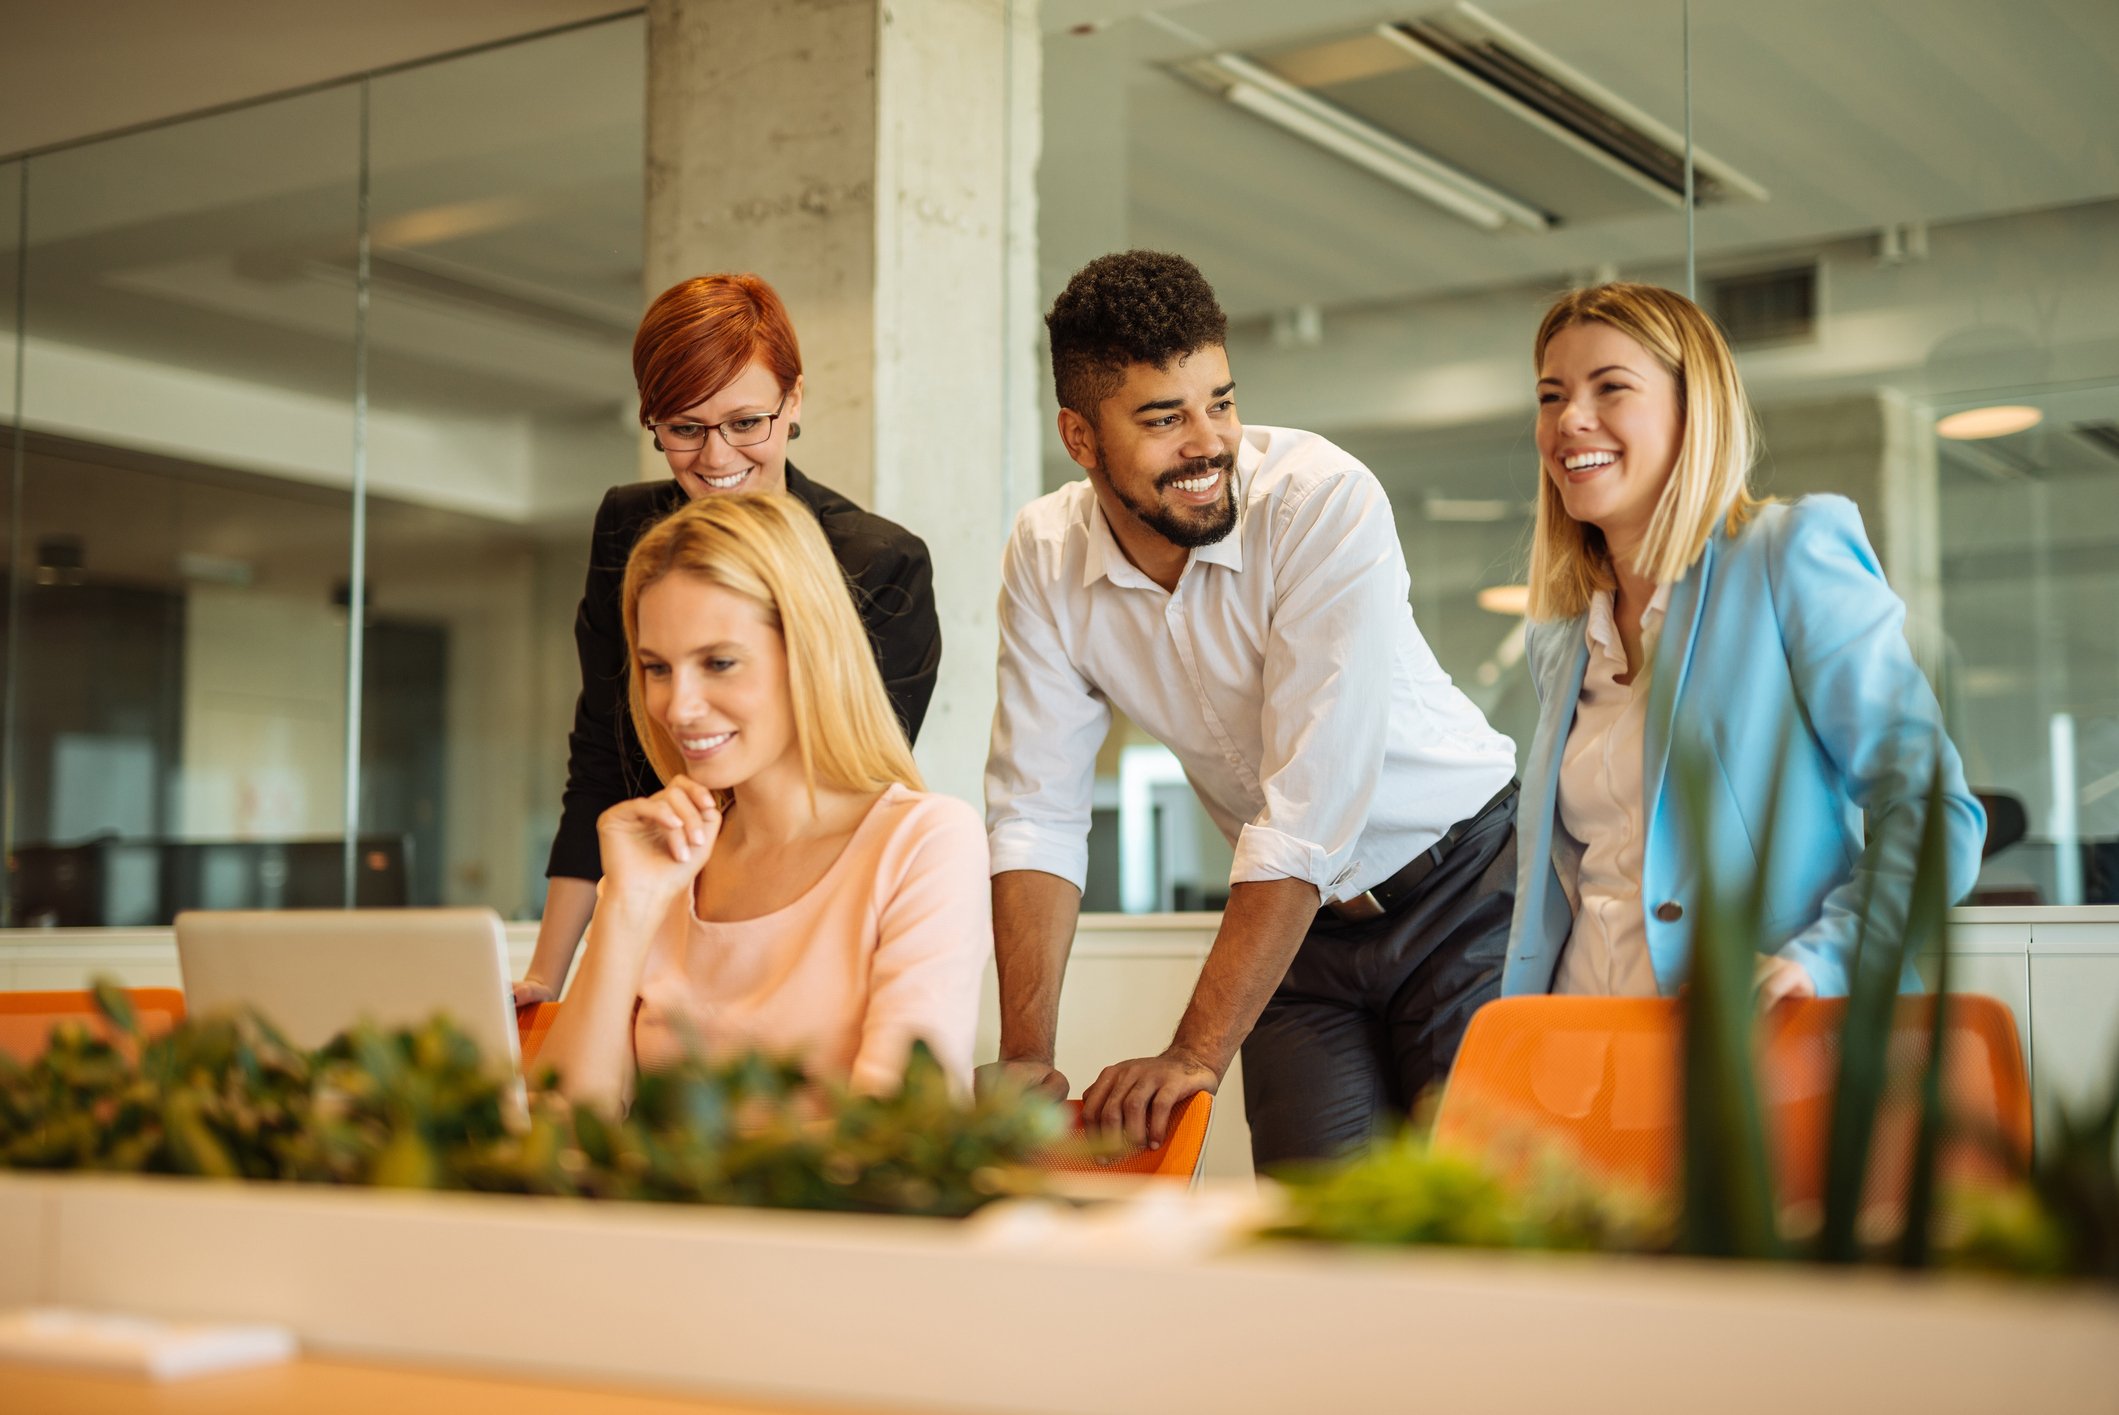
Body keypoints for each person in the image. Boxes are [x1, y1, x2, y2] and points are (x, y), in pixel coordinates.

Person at [980, 251, 1521, 1168]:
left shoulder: (1320, 500)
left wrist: (1192, 1052)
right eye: (1163, 419)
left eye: (1219, 402)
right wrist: (1027, 1054)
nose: (1208, 443)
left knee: (1476, 1219)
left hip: (1465, 893)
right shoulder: (1043, 553)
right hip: (1302, 941)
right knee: (1311, 1223)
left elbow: (1309, 809)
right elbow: (1035, 811)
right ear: (1080, 437)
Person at [1502, 282, 1985, 1002]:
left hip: (1756, 1054)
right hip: (1587, 1045)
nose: (1571, 418)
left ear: (1690, 411)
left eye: (1610, 388)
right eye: (1550, 396)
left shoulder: (1787, 555)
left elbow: (1932, 811)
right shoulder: (1560, 636)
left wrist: (1819, 962)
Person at [519, 273, 942, 1007]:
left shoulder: (877, 564)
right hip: (652, 894)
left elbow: (842, 790)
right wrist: (545, 981)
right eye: (683, 429)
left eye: (747, 423)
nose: (715, 460)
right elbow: (600, 760)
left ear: (794, 401)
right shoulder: (630, 532)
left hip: (798, 913)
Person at [538, 493, 987, 1106]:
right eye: (657, 668)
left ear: (809, 652)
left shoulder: (925, 843)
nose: (678, 706)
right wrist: (626, 907)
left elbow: (901, 1142)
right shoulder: (659, 860)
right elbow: (564, 1131)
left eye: (718, 662)